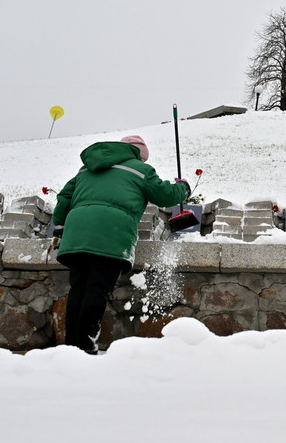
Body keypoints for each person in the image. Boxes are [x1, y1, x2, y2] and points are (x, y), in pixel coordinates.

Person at [52, 135, 190, 354]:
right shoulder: (139, 169)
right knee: (96, 291)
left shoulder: (85, 168)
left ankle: (70, 347)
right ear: (139, 155)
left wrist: (59, 227)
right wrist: (183, 188)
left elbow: (64, 197)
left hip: (77, 233)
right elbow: (165, 196)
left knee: (79, 289)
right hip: (111, 233)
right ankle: (85, 346)